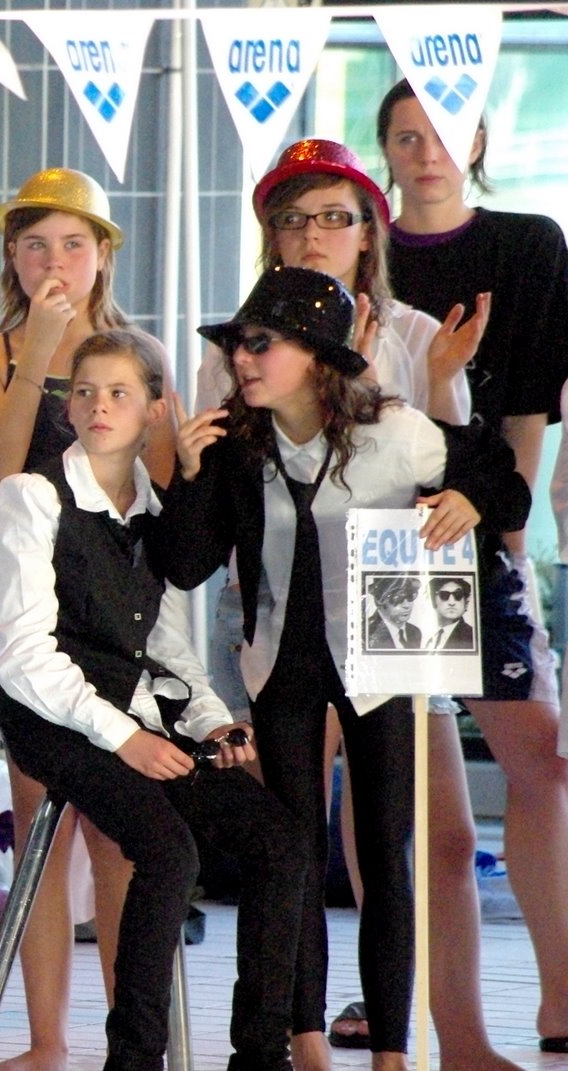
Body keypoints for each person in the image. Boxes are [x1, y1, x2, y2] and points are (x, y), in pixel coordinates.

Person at [158, 266, 530, 1071]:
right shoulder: (233, 446)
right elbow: (183, 565)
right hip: (278, 664)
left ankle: (393, 1048)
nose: (241, 360)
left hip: (381, 658)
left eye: (260, 344)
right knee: (291, 853)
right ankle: (306, 1039)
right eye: (237, 345)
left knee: (386, 854)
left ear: (318, 356)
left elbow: (504, 482)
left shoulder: (391, 431)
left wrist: (468, 496)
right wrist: (185, 478)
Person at [0, 327, 303, 1071]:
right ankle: (133, 1059)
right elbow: (23, 655)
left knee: (280, 843)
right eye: (85, 391)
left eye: (119, 393)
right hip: (49, 716)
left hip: (133, 713)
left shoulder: (154, 509)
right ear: (68, 408)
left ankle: (262, 1054)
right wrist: (125, 737)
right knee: (167, 850)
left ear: (155, 410)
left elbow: (164, 639)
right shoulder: (31, 495)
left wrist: (209, 719)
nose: (99, 405)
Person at [0, 167, 170, 1071]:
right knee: (38, 822)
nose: (55, 261)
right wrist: (39, 351)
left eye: (73, 244)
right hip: (27, 612)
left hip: (120, 615)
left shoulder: (139, 354)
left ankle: (132, 1039)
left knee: (123, 835)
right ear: (11, 255)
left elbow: (165, 488)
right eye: (36, 244)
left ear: (103, 255)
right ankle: (47, 1040)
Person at [379, 78, 568, 1060]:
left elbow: (529, 402)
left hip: (482, 527)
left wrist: (510, 526)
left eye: (445, 134)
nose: (428, 155)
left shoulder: (528, 244)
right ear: (384, 149)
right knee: (415, 807)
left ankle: (560, 994)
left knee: (542, 758)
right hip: (383, 549)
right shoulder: (359, 252)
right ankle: (395, 1001)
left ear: (482, 138)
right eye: (406, 137)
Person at [363, 576, 422, 652]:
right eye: (398, 598)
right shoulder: (364, 634)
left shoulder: (415, 632)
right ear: (379, 600)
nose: (407, 605)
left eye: (410, 596)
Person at [427, 578, 476, 651]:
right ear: (433, 601)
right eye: (444, 595)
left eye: (458, 595)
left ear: (466, 603)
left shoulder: (472, 636)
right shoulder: (428, 637)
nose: (452, 602)